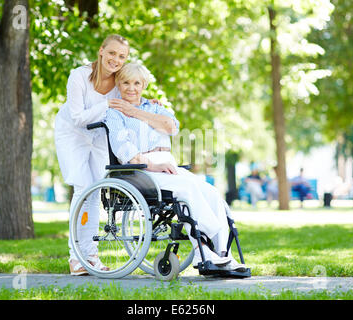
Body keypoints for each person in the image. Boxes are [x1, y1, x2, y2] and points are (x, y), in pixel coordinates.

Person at [105, 63, 247, 272]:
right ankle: (203, 251)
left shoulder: (154, 106)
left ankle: (223, 253)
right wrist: (153, 163)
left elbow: (170, 127)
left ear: (143, 85)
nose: (131, 88)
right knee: (187, 191)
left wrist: (134, 112)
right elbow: (122, 148)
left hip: (167, 163)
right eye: (125, 82)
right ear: (118, 83)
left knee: (211, 191)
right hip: (143, 168)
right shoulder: (114, 113)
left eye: (136, 83)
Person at [54, 35, 163, 276]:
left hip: (98, 135)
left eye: (121, 56)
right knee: (83, 188)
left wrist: (147, 104)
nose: (116, 60)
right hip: (72, 134)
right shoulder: (79, 76)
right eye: (112, 53)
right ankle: (76, 257)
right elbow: (78, 118)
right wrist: (106, 105)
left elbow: (131, 95)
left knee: (96, 190)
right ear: (101, 51)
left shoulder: (119, 81)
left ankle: (90, 255)